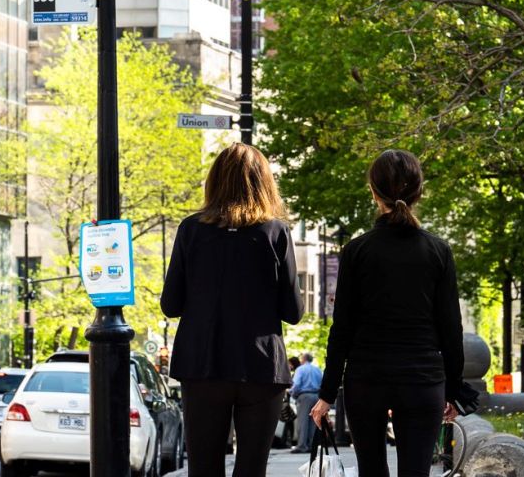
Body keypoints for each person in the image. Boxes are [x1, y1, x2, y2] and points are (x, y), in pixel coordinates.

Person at [309, 149, 464, 477]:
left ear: (373, 192)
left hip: (367, 378)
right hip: (422, 377)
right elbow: (451, 326)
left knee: (371, 471)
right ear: (419, 192)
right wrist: (454, 388)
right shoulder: (438, 252)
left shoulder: (357, 251)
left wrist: (326, 395)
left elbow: (343, 329)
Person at [162, 143, 304, 477]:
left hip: (203, 363)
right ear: (263, 183)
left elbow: (170, 305)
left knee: (204, 468)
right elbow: (293, 311)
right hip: (260, 365)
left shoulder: (191, 230)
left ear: (215, 181)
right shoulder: (275, 232)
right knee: (252, 469)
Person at [289, 353, 322, 454]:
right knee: (313, 421)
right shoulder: (317, 369)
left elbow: (296, 384)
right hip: (316, 396)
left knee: (302, 422)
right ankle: (312, 446)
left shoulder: (300, 369)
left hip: (304, 396)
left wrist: (292, 394)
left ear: (303, 359)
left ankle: (302, 446)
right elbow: (322, 383)